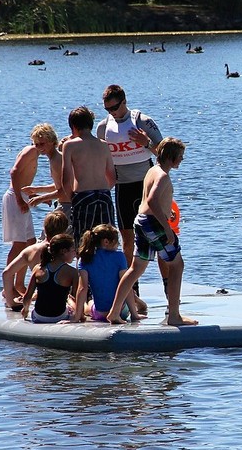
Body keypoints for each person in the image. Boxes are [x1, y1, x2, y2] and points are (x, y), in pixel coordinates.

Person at [105, 137, 198, 326]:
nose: (182, 160)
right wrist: (167, 228)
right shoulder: (163, 175)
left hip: (141, 221)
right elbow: (153, 200)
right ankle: (174, 315)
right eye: (180, 156)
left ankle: (114, 313)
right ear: (172, 158)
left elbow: (149, 199)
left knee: (136, 268)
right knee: (177, 265)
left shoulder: (152, 170)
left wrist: (167, 211)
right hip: (153, 224)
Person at [96, 85, 167, 288]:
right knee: (127, 240)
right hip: (123, 187)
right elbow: (98, 156)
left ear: (124, 102)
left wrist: (146, 143)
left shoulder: (142, 121)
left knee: (161, 237)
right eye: (107, 109)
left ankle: (168, 287)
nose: (112, 112)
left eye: (115, 107)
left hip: (147, 186)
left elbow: (165, 155)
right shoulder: (103, 127)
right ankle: (131, 292)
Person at [3, 123, 61, 302]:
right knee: (19, 243)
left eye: (42, 144)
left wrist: (39, 194)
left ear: (51, 141)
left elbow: (26, 181)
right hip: (15, 197)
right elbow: (14, 173)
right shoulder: (30, 151)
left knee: (30, 242)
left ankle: (20, 284)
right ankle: (9, 287)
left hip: (23, 196)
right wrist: (20, 200)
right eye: (37, 143)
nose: (39, 148)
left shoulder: (40, 155)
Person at [63, 105, 116, 246]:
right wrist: (103, 189)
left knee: (84, 242)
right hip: (104, 195)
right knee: (108, 241)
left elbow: (65, 178)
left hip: (83, 195)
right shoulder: (104, 145)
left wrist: (72, 197)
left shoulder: (69, 145)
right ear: (91, 125)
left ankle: (84, 268)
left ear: (73, 126)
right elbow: (112, 176)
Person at [1, 209, 70, 310]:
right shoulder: (63, 250)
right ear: (64, 230)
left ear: (45, 229)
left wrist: (11, 302)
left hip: (40, 298)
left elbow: (6, 273)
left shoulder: (31, 250)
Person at [74, 224, 144, 323]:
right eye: (117, 242)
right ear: (106, 242)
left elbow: (82, 288)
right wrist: (134, 315)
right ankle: (138, 303)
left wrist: (76, 318)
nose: (118, 244)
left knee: (89, 303)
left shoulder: (84, 259)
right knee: (128, 288)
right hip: (120, 312)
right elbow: (126, 285)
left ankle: (78, 308)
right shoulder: (119, 257)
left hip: (99, 313)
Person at [21, 233, 79, 323]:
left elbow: (27, 297)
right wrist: (80, 316)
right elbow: (77, 298)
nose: (75, 254)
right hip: (60, 316)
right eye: (73, 250)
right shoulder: (72, 272)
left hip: (39, 316)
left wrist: (25, 310)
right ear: (64, 251)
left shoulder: (38, 268)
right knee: (70, 300)